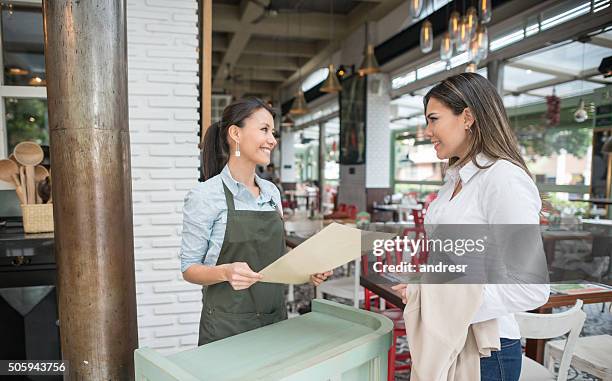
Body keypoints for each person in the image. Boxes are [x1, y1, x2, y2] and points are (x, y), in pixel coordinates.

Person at [392, 73, 550, 381]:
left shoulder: (503, 179)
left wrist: (436, 301)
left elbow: (531, 287)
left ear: (467, 117)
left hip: (485, 350)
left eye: (433, 119)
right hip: (449, 336)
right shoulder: (454, 179)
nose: (428, 131)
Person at [180, 97, 332, 345]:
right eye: (264, 130)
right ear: (235, 134)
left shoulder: (272, 192)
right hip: (226, 328)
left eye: (272, 132)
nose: (272, 139)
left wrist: (308, 271)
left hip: (275, 322)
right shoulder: (205, 195)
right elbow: (189, 269)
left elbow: (273, 258)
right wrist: (224, 272)